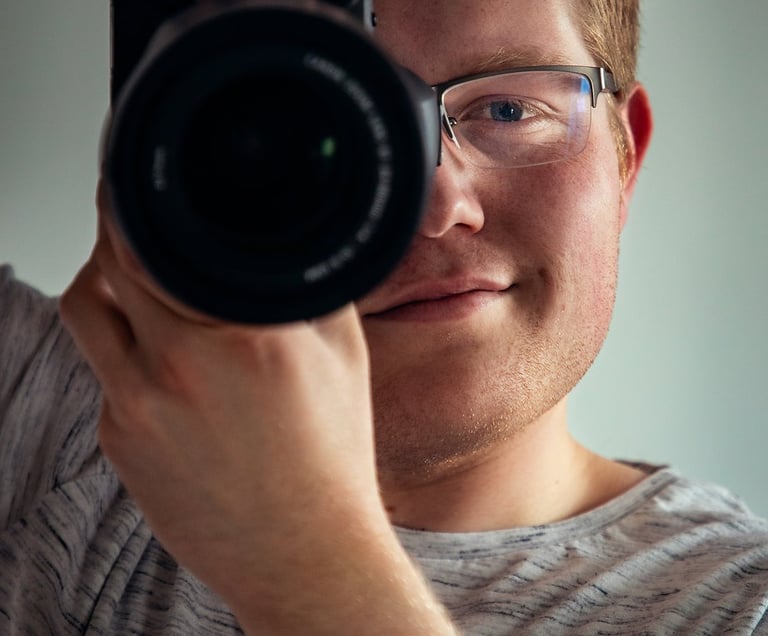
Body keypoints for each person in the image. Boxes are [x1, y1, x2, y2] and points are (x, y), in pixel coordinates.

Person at [2, 0, 768, 633]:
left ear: (625, 157)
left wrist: (306, 561)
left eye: (508, 107)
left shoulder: (739, 608)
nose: (439, 207)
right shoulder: (47, 433)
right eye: (326, 123)